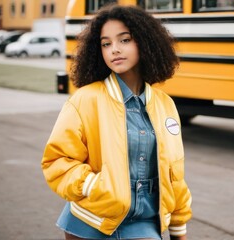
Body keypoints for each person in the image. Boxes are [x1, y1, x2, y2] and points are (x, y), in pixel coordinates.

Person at [41, 4, 192, 240]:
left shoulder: (165, 105)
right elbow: (57, 160)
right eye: (106, 43)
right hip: (89, 222)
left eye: (124, 40)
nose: (115, 50)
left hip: (145, 222)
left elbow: (175, 172)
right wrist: (94, 186)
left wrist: (178, 227)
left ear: (145, 42)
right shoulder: (85, 99)